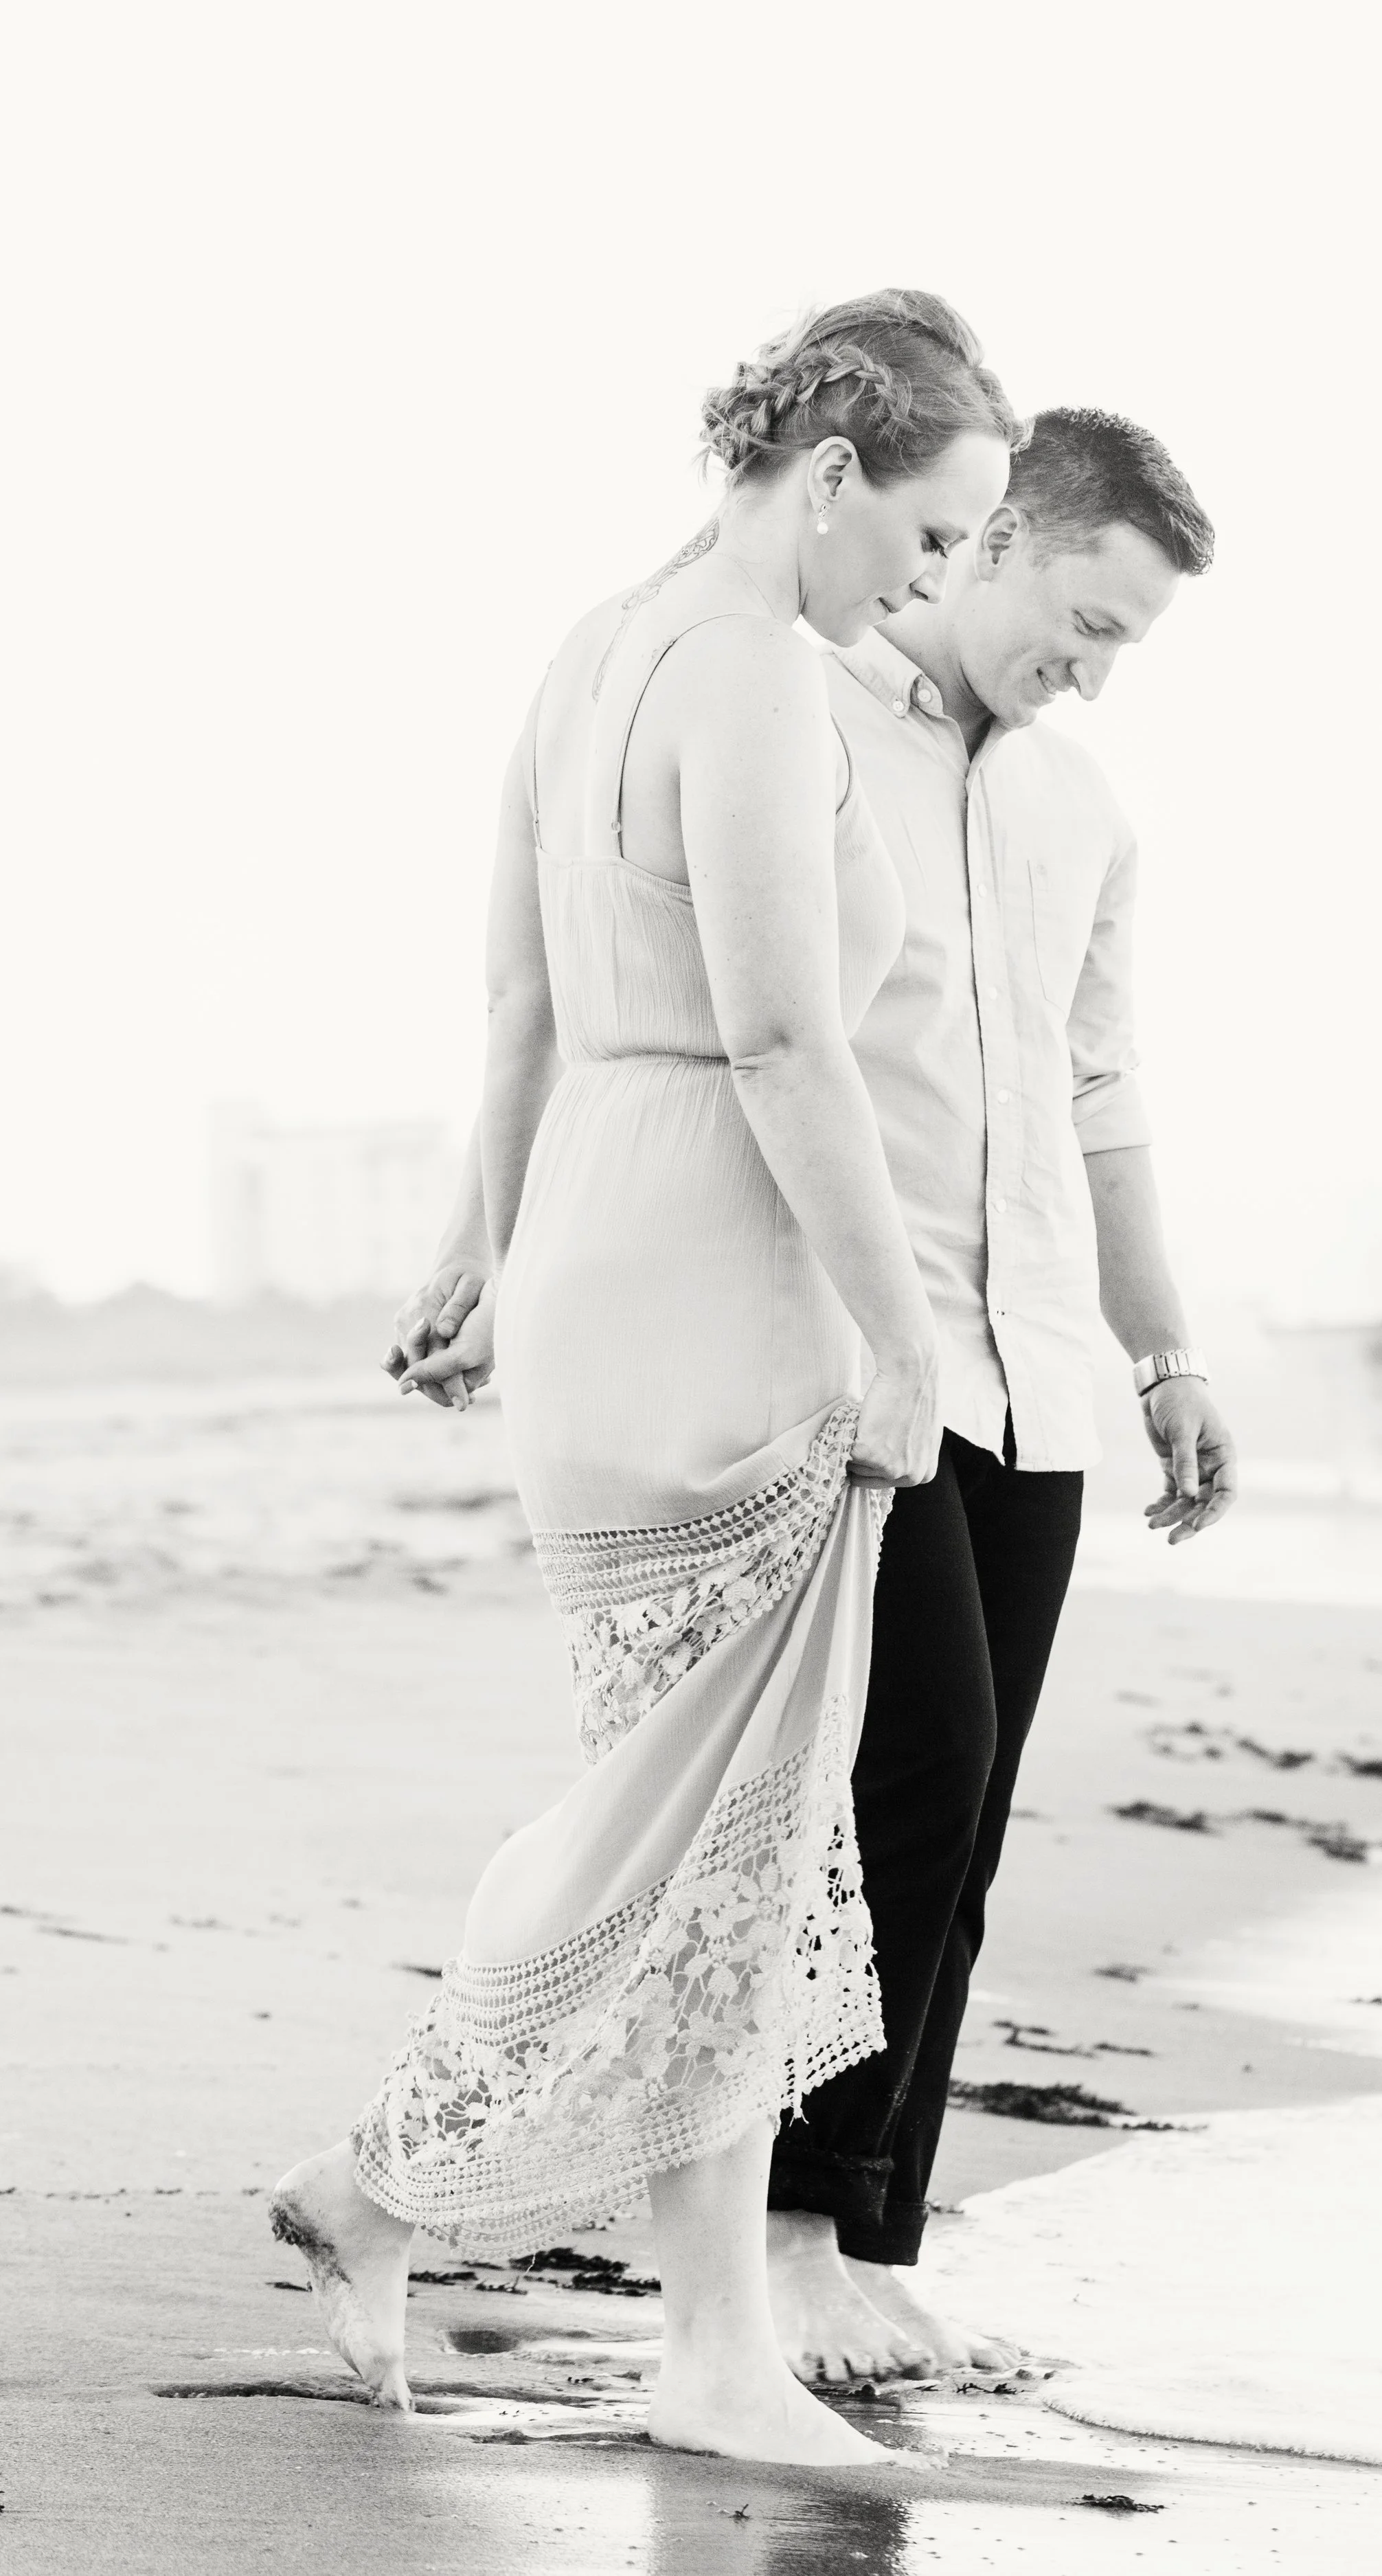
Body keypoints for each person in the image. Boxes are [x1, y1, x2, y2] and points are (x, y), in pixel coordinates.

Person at [389, 405, 1238, 2386]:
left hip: (1026, 1358)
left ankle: (860, 2227)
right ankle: (767, 2231)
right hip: (844, 1335)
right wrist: (489, 1235)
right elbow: (614, 994)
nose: (1085, 668)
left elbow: (1096, 1093)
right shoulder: (792, 709)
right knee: (884, 1790)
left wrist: (1165, 1348)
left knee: (965, 1809)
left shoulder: (1078, 808)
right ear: (996, 533)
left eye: (1123, 648)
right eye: (1077, 616)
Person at [270, 290, 1017, 2469]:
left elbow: (513, 1004)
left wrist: (481, 1251)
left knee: (689, 1816)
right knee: (729, 1830)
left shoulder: (589, 643)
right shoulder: (762, 675)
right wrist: (898, 1333)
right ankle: (609, 2297)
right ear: (827, 473)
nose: (932, 579)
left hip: (594, 1241)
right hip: (722, 1254)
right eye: (933, 530)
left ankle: (508, 2241)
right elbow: (790, 1046)